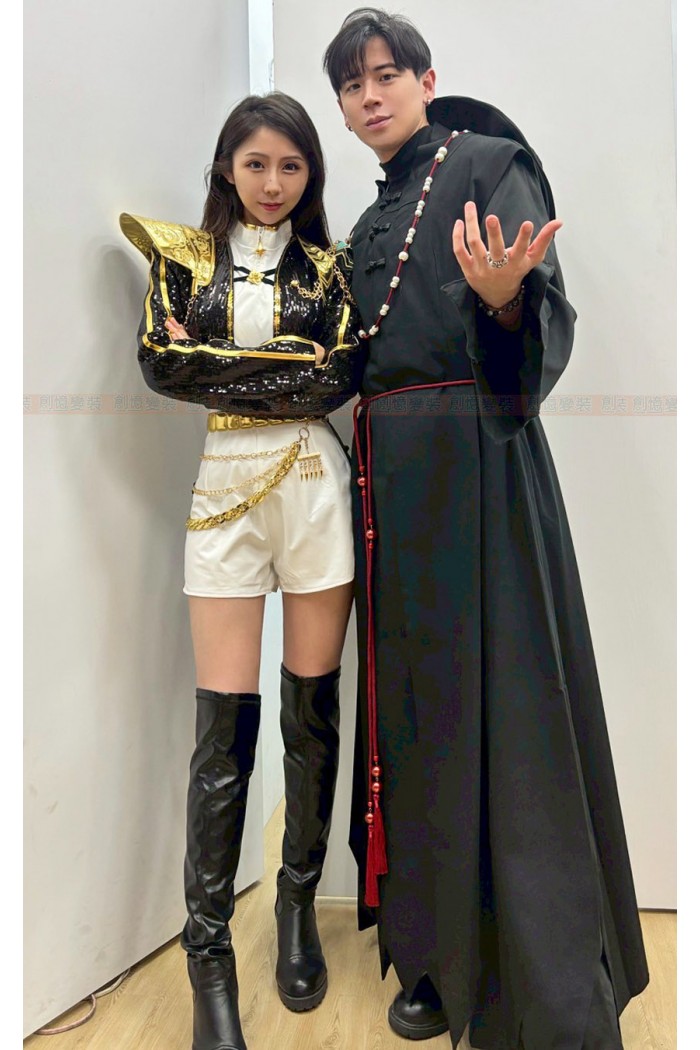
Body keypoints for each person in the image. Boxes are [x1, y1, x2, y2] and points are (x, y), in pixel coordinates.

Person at [323, 9, 649, 1049]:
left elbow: (534, 309)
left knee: (504, 708)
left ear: (425, 79)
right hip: (390, 488)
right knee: (415, 715)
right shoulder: (367, 220)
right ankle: (435, 956)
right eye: (352, 85)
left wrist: (505, 304)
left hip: (479, 466)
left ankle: (531, 976)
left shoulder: (488, 164)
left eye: (386, 74)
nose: (370, 95)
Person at [120, 92, 364, 1050]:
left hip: (314, 489)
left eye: (291, 166)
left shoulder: (333, 270)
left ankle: (297, 912)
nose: (272, 183)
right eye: (256, 163)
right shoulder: (181, 261)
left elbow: (339, 377)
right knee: (221, 734)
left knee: (312, 712)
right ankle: (209, 960)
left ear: (311, 175)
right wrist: (289, 362)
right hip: (223, 492)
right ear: (228, 166)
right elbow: (160, 365)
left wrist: (219, 360)